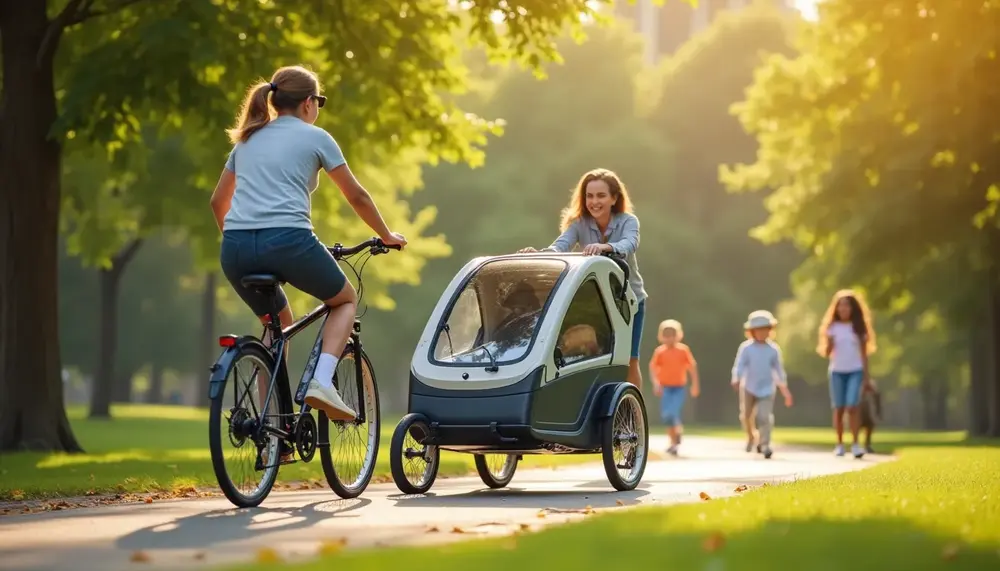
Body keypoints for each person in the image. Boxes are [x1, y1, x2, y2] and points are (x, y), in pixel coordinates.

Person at [209, 65, 407, 425]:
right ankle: (320, 381)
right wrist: (387, 234)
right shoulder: (316, 137)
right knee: (344, 300)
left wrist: (245, 241)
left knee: (277, 324)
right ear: (308, 104)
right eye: (320, 101)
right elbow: (357, 196)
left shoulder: (248, 139)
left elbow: (218, 202)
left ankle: (272, 427)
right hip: (288, 240)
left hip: (235, 248)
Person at [517, 168, 647, 389]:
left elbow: (629, 244)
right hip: (598, 302)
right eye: (589, 196)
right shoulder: (579, 223)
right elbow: (560, 246)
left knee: (629, 360)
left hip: (629, 301)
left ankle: (633, 415)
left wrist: (605, 247)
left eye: (601, 196)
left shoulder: (628, 221)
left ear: (614, 198)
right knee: (596, 357)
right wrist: (538, 254)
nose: (594, 201)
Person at [816, 289, 877, 459]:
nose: (843, 309)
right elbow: (827, 352)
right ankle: (840, 444)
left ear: (853, 309)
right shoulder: (832, 328)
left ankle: (856, 444)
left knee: (852, 406)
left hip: (855, 371)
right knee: (839, 408)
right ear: (836, 309)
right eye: (840, 306)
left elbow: (864, 355)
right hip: (837, 372)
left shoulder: (858, 328)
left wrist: (866, 378)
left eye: (847, 306)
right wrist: (830, 343)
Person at [731, 310, 793, 460]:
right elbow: (740, 365)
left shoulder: (773, 349)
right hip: (748, 386)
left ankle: (765, 444)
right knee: (746, 415)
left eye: (765, 329)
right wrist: (736, 378)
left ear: (770, 330)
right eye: (758, 330)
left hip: (767, 388)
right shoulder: (746, 348)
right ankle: (751, 437)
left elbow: (779, 370)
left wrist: (784, 389)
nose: (762, 333)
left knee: (764, 416)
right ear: (752, 331)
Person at [648, 319, 700, 456]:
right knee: (667, 416)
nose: (669, 338)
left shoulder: (683, 350)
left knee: (673, 413)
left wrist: (695, 385)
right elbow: (653, 367)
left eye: (672, 335)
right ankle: (672, 440)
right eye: (666, 335)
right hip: (665, 388)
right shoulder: (660, 352)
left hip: (678, 388)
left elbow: (692, 367)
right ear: (661, 336)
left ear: (677, 335)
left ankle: (676, 439)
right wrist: (656, 383)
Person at [859, 378, 883, 454]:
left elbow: (878, 405)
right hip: (859, 415)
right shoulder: (858, 395)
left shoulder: (873, 396)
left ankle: (867, 445)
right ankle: (855, 444)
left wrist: (878, 415)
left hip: (868, 416)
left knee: (870, 425)